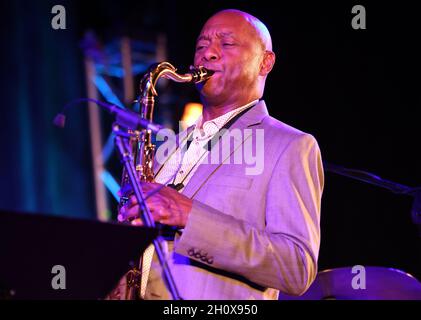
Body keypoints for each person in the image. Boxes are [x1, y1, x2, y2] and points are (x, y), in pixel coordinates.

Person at [118, 9, 324, 300]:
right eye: (201, 46)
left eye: (226, 44)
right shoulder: (167, 147)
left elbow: (296, 267)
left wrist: (190, 216)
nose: (208, 54)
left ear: (266, 62)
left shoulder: (290, 145)